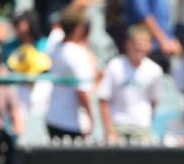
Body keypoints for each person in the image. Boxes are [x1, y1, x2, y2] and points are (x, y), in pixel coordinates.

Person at [98, 25, 163, 142]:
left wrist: (146, 122)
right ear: (128, 44)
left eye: (144, 43)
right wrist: (109, 130)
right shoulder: (114, 66)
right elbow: (103, 100)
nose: (140, 47)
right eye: (137, 43)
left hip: (142, 127)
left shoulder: (155, 71)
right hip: (117, 125)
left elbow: (154, 101)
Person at [45, 8, 95, 139]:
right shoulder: (78, 55)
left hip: (52, 117)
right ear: (79, 29)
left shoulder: (52, 45)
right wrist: (91, 118)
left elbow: (56, 30)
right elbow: (82, 92)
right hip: (72, 123)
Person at [125, 0, 182, 73]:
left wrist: (172, 38)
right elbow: (142, 14)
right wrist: (163, 41)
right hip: (147, 49)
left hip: (164, 47)